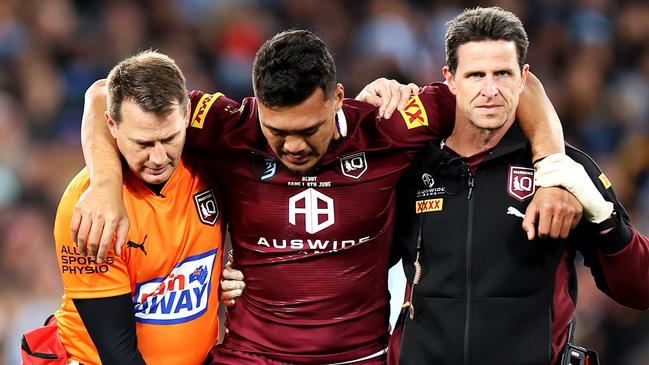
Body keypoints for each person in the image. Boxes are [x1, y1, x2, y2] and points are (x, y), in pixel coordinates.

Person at [76, 30, 573, 364]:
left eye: (308, 129)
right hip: (252, 356)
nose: (293, 145)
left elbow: (519, 87)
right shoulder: (226, 126)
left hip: (358, 357)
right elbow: (104, 92)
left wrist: (551, 171)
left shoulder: (387, 127)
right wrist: (103, 183)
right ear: (255, 103)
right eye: (277, 130)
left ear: (339, 98)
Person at [390, 7, 649, 365]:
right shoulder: (412, 170)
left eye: (503, 73)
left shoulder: (564, 172)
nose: (490, 90)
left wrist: (605, 219)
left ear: (524, 77)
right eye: (476, 75)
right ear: (450, 79)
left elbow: (641, 289)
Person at [50, 51, 225, 365]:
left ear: (186, 115)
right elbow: (118, 355)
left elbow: (100, 92)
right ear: (112, 125)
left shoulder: (211, 161)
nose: (158, 158)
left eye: (169, 139)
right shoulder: (90, 211)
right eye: (143, 144)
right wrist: (104, 183)